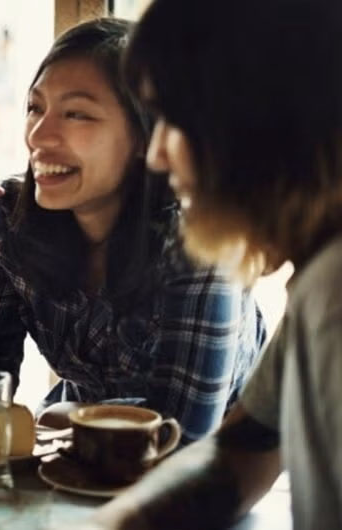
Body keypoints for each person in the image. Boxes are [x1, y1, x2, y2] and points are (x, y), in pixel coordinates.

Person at [0, 18, 266, 444]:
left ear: (144, 136)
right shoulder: (5, 222)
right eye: (35, 107)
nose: (40, 136)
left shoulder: (202, 245)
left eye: (77, 114)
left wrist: (63, 414)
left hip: (210, 484)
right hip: (79, 461)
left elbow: (181, 437)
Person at [89, 0, 342, 528]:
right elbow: (237, 454)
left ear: (254, 123)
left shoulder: (334, 290)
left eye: (173, 121)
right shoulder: (317, 277)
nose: (157, 155)